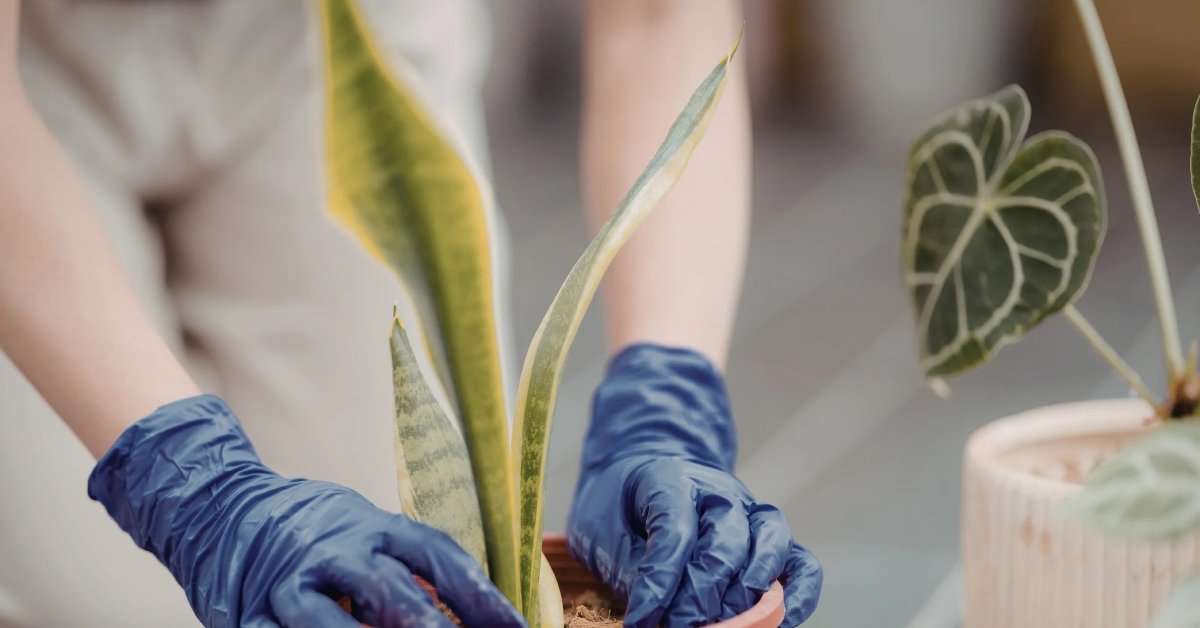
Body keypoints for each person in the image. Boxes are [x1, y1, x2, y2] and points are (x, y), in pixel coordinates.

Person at [0, 0, 822, 626]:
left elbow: (657, 15)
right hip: (33, 65)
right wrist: (190, 482)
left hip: (338, 40)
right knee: (106, 593)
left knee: (407, 571)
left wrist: (666, 396)